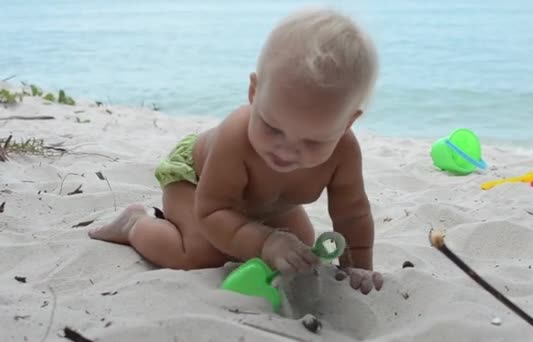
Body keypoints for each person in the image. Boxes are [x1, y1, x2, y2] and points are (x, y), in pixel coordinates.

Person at [89, 7, 383, 294]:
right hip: (196, 184)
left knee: (301, 245)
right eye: (272, 127)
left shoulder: (343, 153)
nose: (287, 150)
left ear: (347, 123)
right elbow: (213, 211)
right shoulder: (235, 137)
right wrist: (265, 242)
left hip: (264, 204)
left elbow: (352, 214)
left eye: (313, 141)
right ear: (254, 93)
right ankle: (135, 224)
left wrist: (358, 266)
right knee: (199, 254)